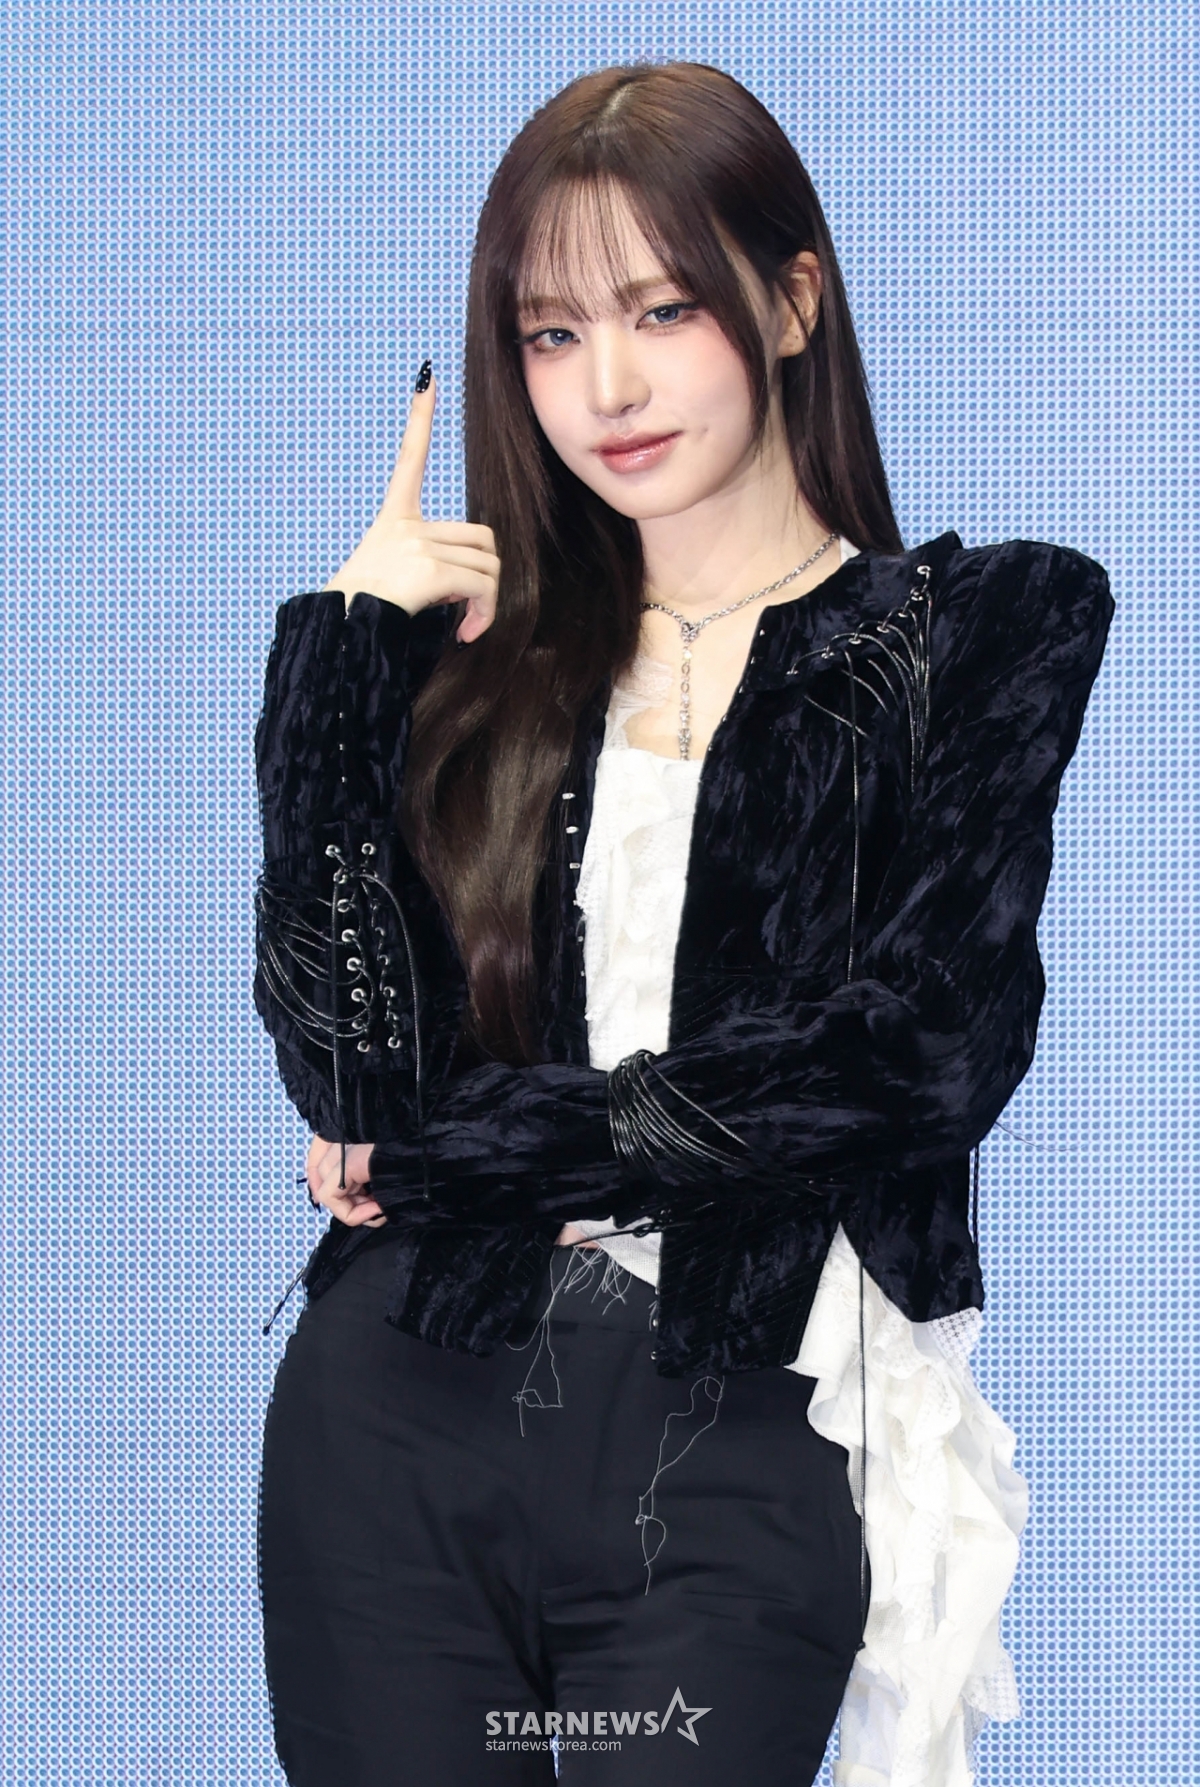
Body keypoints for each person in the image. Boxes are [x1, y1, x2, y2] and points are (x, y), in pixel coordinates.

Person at [252, 61, 1113, 1787]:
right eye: (552, 333)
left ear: (790, 301)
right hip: (391, 1421)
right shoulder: (465, 663)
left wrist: (496, 1143)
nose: (609, 387)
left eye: (661, 310)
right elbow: (354, 1079)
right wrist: (339, 652)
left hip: (739, 1432)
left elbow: (919, 1054)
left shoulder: (975, 632)